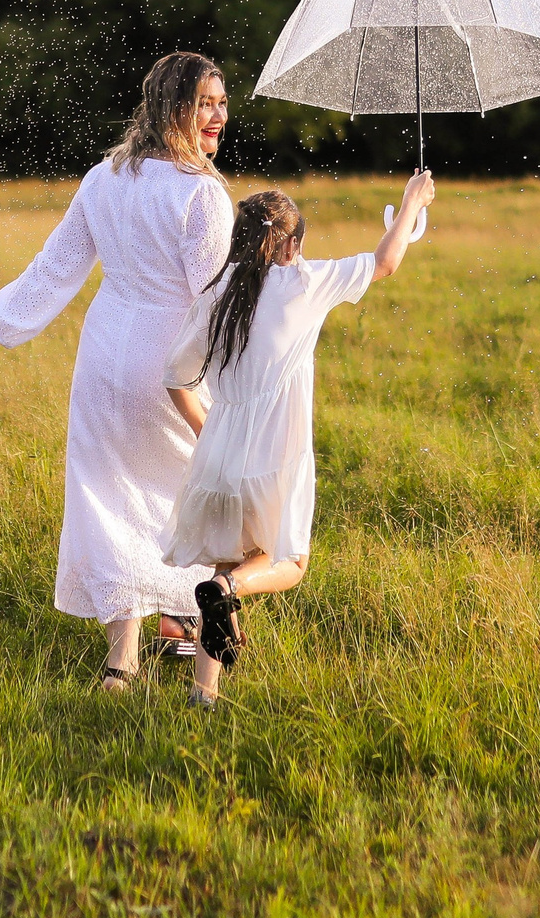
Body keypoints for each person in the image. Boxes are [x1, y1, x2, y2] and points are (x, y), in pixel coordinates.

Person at [0, 52, 234, 691]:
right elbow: (213, 300)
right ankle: (190, 632)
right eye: (204, 103)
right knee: (189, 494)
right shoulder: (201, 193)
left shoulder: (105, 177)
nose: (217, 116)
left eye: (221, 102)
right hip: (170, 364)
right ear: (173, 109)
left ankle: (123, 663)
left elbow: (56, 267)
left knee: (110, 498)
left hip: (104, 357)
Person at [162, 167, 436, 708]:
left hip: (217, 453)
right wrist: (411, 201)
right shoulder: (302, 283)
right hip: (275, 454)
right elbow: (385, 262)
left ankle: (204, 693)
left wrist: (207, 433)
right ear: (289, 244)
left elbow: (174, 376)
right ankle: (225, 595)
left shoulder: (217, 292)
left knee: (229, 557)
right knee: (287, 561)